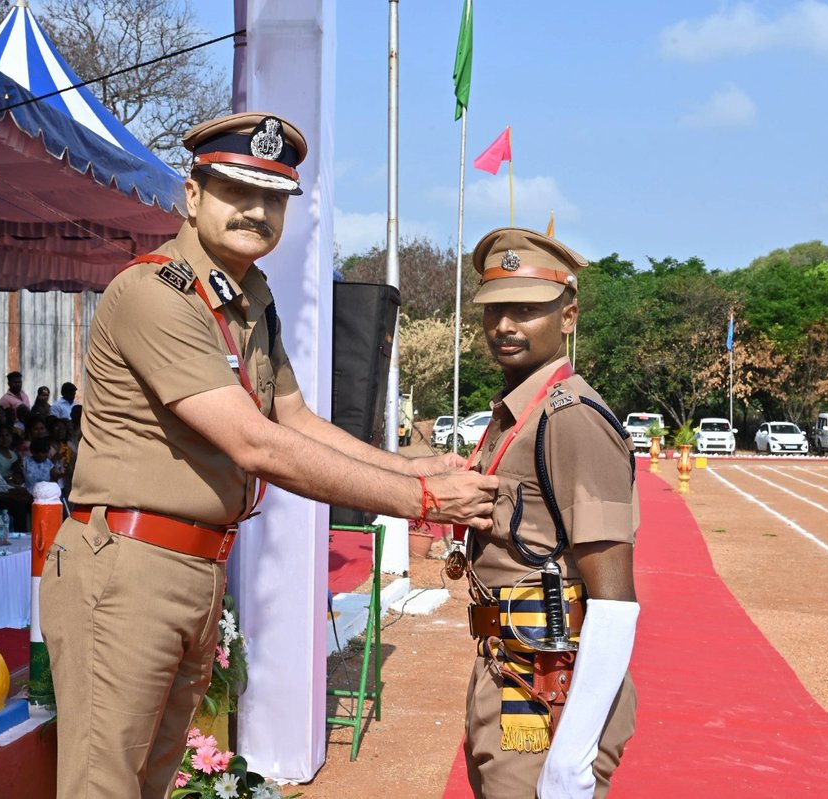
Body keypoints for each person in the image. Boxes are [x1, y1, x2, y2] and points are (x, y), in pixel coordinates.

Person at [39, 112, 497, 799]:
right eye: (235, 190)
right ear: (191, 195)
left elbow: (295, 418)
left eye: (274, 197)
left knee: (152, 780)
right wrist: (419, 502)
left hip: (195, 566)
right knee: (103, 786)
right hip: (128, 568)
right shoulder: (155, 294)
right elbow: (254, 441)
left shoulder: (247, 297)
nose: (256, 210)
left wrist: (411, 467)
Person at [458, 228, 640, 799]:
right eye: (495, 309)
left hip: (547, 688)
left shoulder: (570, 417)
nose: (505, 325)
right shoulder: (519, 412)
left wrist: (574, 754)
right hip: (509, 665)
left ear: (568, 317)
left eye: (528, 310)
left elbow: (614, 600)